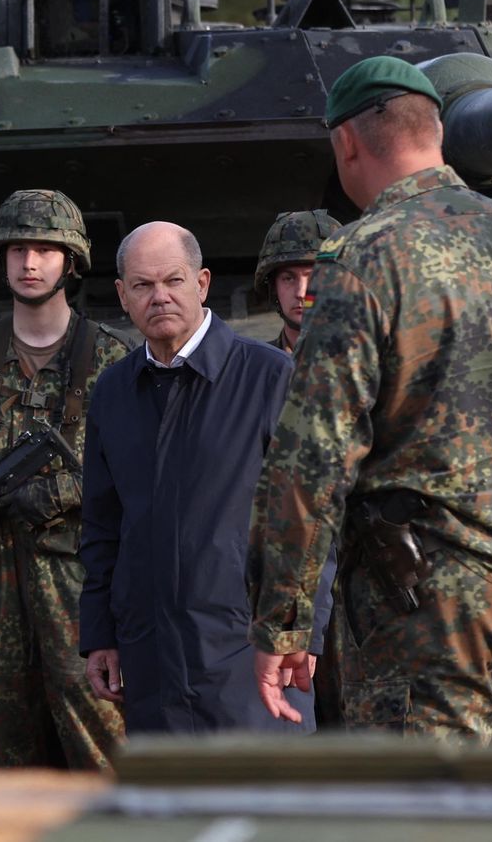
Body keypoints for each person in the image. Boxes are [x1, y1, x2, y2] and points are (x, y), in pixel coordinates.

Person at [246, 56, 492, 743]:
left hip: (429, 606)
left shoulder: (360, 256)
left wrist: (283, 620)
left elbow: (313, 452)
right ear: (434, 132)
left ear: (346, 142)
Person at [79, 221, 333, 734]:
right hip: (148, 657)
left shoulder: (269, 378)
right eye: (143, 286)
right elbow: (103, 527)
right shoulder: (112, 392)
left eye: (173, 281)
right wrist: (100, 634)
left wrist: (296, 631)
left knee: (265, 806)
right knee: (169, 809)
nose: (160, 297)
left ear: (202, 283)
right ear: (122, 295)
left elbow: (312, 518)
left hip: (251, 655)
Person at [0, 189, 129, 768]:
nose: (30, 263)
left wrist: (56, 493)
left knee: (104, 742)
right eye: (16, 250)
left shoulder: (110, 360)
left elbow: (139, 481)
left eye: (44, 249)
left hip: (81, 582)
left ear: (71, 262)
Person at [253, 210, 341, 353]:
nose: (301, 293)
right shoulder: (255, 366)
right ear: (274, 287)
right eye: (288, 279)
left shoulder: (372, 366)